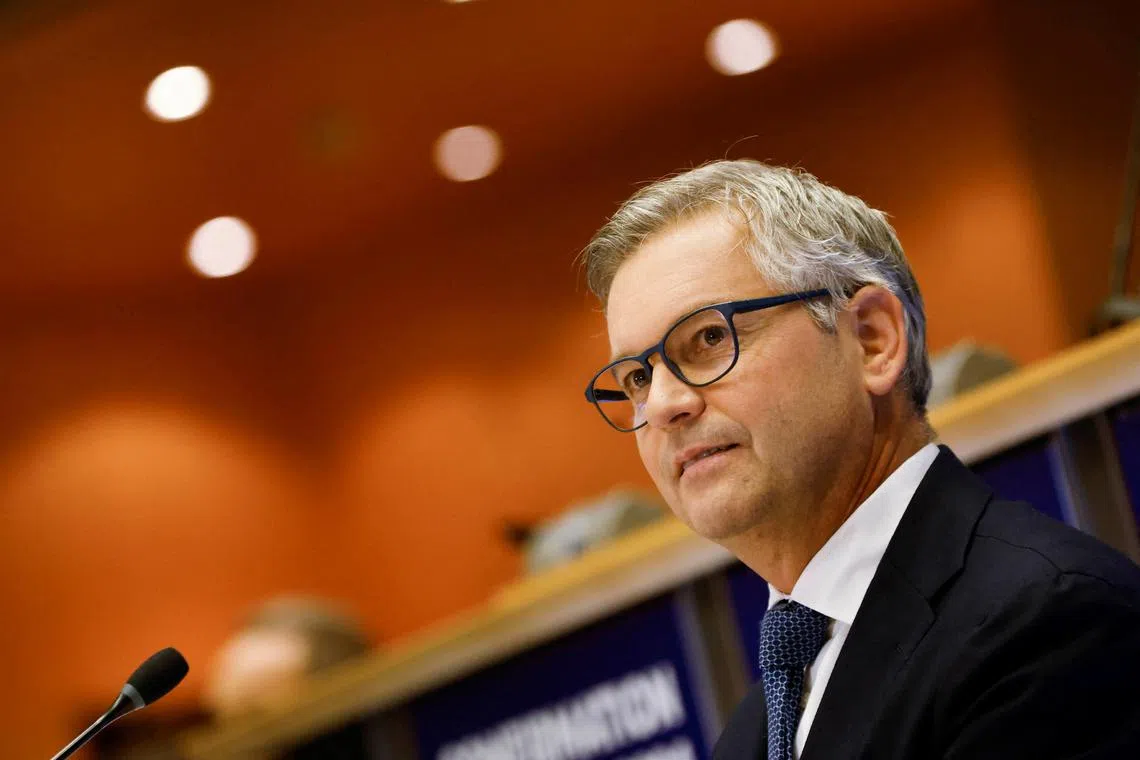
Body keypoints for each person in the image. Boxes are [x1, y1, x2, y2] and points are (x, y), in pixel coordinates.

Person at [579, 160, 1140, 759]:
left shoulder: (1045, 625)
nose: (662, 404)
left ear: (872, 339)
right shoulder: (753, 731)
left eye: (710, 338)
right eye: (638, 376)